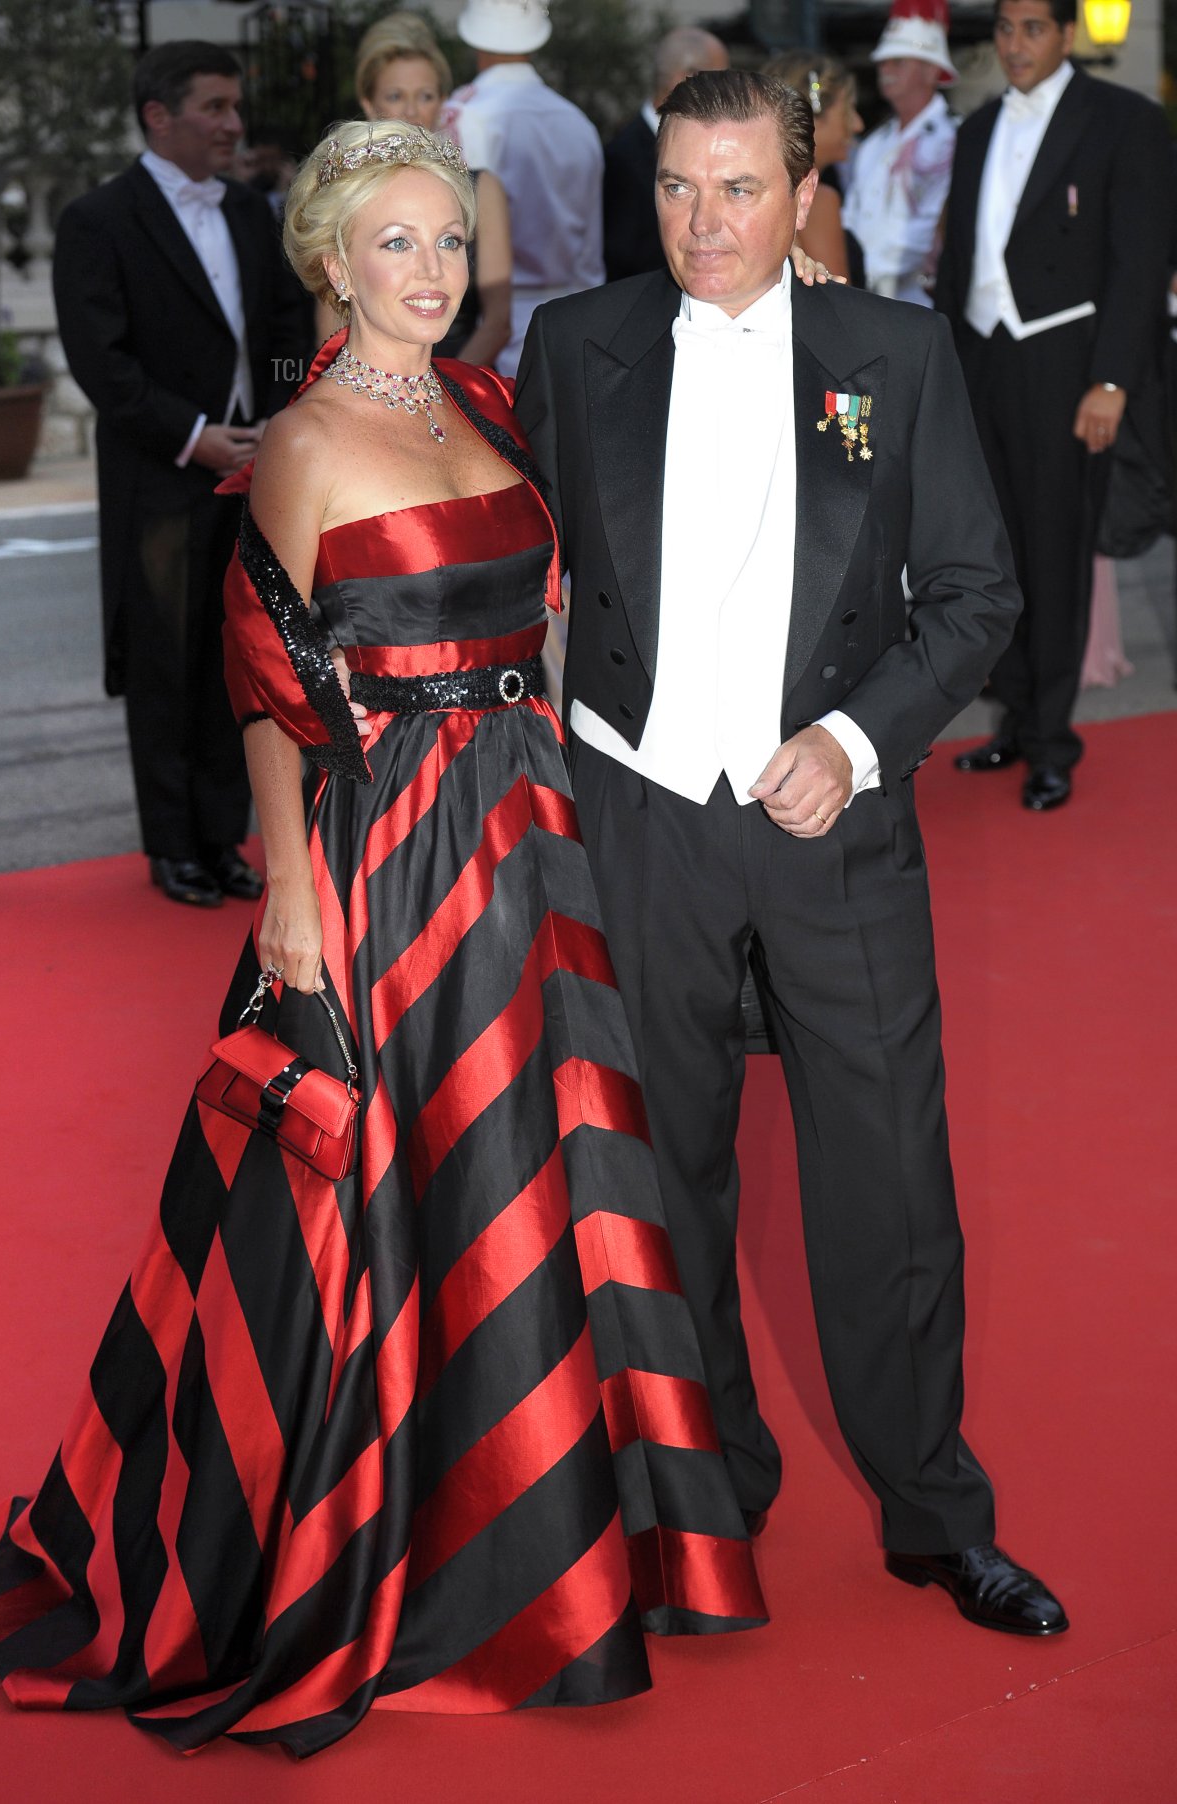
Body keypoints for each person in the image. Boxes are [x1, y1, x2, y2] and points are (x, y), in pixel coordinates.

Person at [0, 119, 764, 1758]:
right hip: (393, 847)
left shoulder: (478, 398)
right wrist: (288, 895)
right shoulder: (303, 443)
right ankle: (399, 1539)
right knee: (404, 1182)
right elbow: (270, 688)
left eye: (450, 243)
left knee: (543, 1165)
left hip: (526, 832)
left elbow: (541, 623)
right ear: (332, 260)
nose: (432, 272)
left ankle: (556, 1517)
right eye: (395, 244)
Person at [517, 69, 1068, 1637]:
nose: (705, 223)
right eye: (681, 188)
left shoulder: (894, 352)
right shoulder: (576, 346)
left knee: (888, 1176)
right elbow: (494, 527)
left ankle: (932, 1511)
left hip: (836, 821)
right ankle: (708, 1492)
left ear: (804, 190)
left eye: (741, 189)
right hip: (638, 815)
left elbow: (975, 592)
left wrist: (853, 742)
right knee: (666, 1178)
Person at [52, 41, 308, 907]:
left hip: (253, 471)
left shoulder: (250, 209)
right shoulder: (97, 220)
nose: (235, 125)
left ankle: (223, 842)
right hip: (161, 478)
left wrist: (280, 416)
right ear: (158, 117)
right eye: (214, 108)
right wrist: (194, 435)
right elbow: (101, 360)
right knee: (165, 664)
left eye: (235, 107)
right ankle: (173, 850)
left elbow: (283, 326)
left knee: (237, 660)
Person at [934, 0, 1172, 810]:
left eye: (1032, 27)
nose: (1014, 44)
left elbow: (1141, 262)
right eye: (1004, 28)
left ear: (1067, 34)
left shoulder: (1123, 120)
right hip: (981, 358)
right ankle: (1014, 715)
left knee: (1057, 555)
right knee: (993, 556)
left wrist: (1111, 382)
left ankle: (1052, 742)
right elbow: (960, 260)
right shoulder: (974, 130)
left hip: (1068, 366)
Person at [441, 0, 603, 375]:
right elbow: (592, 246)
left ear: (475, 37)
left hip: (492, 333)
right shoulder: (577, 121)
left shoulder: (465, 114)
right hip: (578, 324)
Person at [354, 10, 512, 365]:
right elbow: (331, 328)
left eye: (425, 96)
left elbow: (498, 322)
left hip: (460, 380)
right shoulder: (348, 196)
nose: (411, 111)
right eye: (395, 96)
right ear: (368, 103)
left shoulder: (481, 188)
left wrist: (444, 397)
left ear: (443, 103)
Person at [841, 0, 958, 305]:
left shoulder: (954, 140)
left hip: (917, 304)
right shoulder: (872, 144)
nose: (886, 70)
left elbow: (934, 227)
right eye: (883, 62)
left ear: (932, 70)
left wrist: (867, 272)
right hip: (862, 297)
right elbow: (851, 218)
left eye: (898, 62)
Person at [603, 26, 730, 284]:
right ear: (688, 77)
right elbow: (621, 255)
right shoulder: (624, 156)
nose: (728, 92)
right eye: (721, 80)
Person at [765, 50, 865, 286]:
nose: (858, 124)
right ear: (813, 118)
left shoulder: (759, 191)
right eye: (848, 110)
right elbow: (839, 304)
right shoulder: (816, 198)